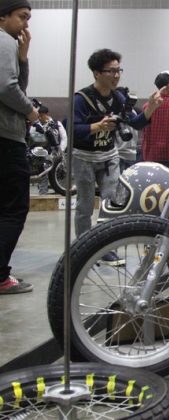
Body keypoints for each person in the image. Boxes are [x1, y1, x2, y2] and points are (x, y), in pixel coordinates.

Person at [73, 48, 162, 264]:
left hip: (109, 156)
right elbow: (73, 128)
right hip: (84, 157)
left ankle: (104, 248)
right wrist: (97, 126)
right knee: (85, 206)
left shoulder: (118, 98)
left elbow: (135, 123)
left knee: (111, 203)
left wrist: (151, 108)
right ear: (97, 73)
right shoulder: (81, 99)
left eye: (118, 70)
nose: (116, 75)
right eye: (111, 71)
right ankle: (84, 248)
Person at [0, 0, 37, 294]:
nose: (26, 24)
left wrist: (23, 58)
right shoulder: (4, 41)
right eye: (22, 17)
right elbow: (8, 88)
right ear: (3, 17)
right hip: (6, 137)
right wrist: (30, 111)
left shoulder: (11, 45)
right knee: (14, 208)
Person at [29, 104, 67, 194]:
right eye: (38, 116)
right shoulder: (36, 126)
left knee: (58, 173)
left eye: (41, 116)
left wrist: (61, 151)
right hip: (43, 153)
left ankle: (59, 192)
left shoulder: (56, 123)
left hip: (56, 153)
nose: (40, 118)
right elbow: (31, 137)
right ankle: (43, 193)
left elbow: (64, 138)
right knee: (44, 172)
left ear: (47, 114)